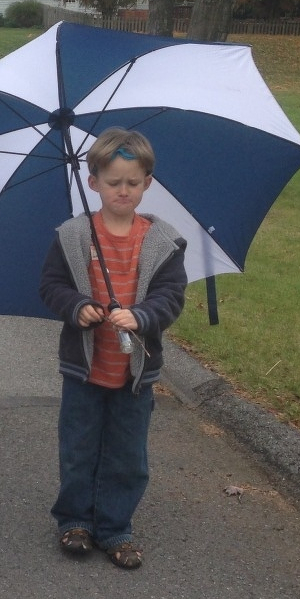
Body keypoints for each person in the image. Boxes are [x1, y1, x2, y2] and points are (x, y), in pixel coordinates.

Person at [39, 127, 187, 568]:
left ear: (148, 183)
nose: (123, 191)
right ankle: (75, 521)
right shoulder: (72, 235)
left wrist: (142, 316)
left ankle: (115, 526)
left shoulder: (163, 242)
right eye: (113, 182)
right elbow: (52, 286)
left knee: (127, 452)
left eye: (133, 183)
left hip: (134, 374)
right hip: (85, 369)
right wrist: (77, 306)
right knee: (79, 445)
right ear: (93, 183)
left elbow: (171, 296)